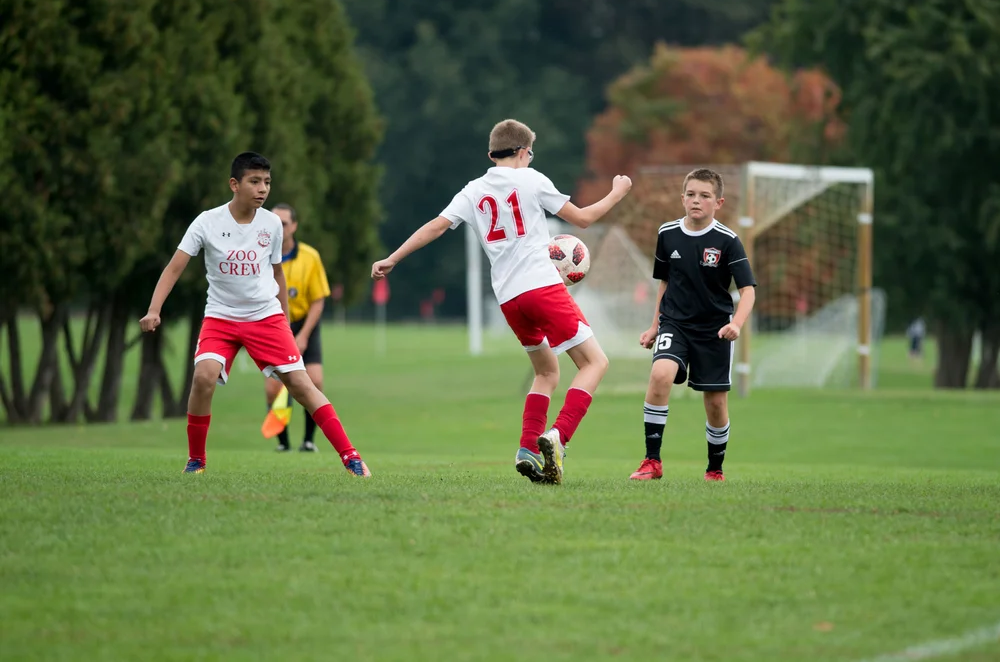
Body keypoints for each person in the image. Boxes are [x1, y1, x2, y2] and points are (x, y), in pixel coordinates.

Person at [371, 119, 632, 485]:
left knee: (546, 372)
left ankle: (527, 448)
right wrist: (617, 191)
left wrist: (393, 258)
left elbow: (435, 226)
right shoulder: (532, 178)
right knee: (595, 362)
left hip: (509, 299)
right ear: (524, 152)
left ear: (492, 153)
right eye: (530, 154)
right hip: (543, 286)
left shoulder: (473, 190)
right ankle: (559, 438)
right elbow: (584, 219)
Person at [139, 152, 371, 477]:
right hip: (220, 317)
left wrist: (287, 326)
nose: (262, 189)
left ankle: (351, 457)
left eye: (267, 182)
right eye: (255, 181)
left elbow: (278, 276)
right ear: (234, 184)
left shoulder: (272, 224)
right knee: (203, 376)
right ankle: (196, 462)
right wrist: (154, 310)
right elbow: (175, 267)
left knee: (302, 386)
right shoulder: (207, 222)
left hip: (266, 317)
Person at [629, 168, 756, 483]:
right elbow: (665, 282)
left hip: (715, 330)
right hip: (675, 323)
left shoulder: (728, 241)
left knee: (715, 402)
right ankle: (652, 461)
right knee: (660, 375)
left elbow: (749, 291)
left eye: (704, 195)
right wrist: (655, 325)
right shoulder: (667, 233)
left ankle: (715, 469)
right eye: (690, 194)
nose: (696, 201)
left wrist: (737, 324)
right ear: (682, 197)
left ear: (718, 202)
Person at [265, 202, 331, 453]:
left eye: (283, 224)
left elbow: (318, 300)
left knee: (314, 381)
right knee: (274, 388)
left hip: (304, 323)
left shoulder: (310, 256)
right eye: (273, 223)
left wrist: (303, 335)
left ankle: (308, 440)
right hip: (273, 322)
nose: (278, 228)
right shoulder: (260, 254)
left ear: (294, 226)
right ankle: (283, 444)